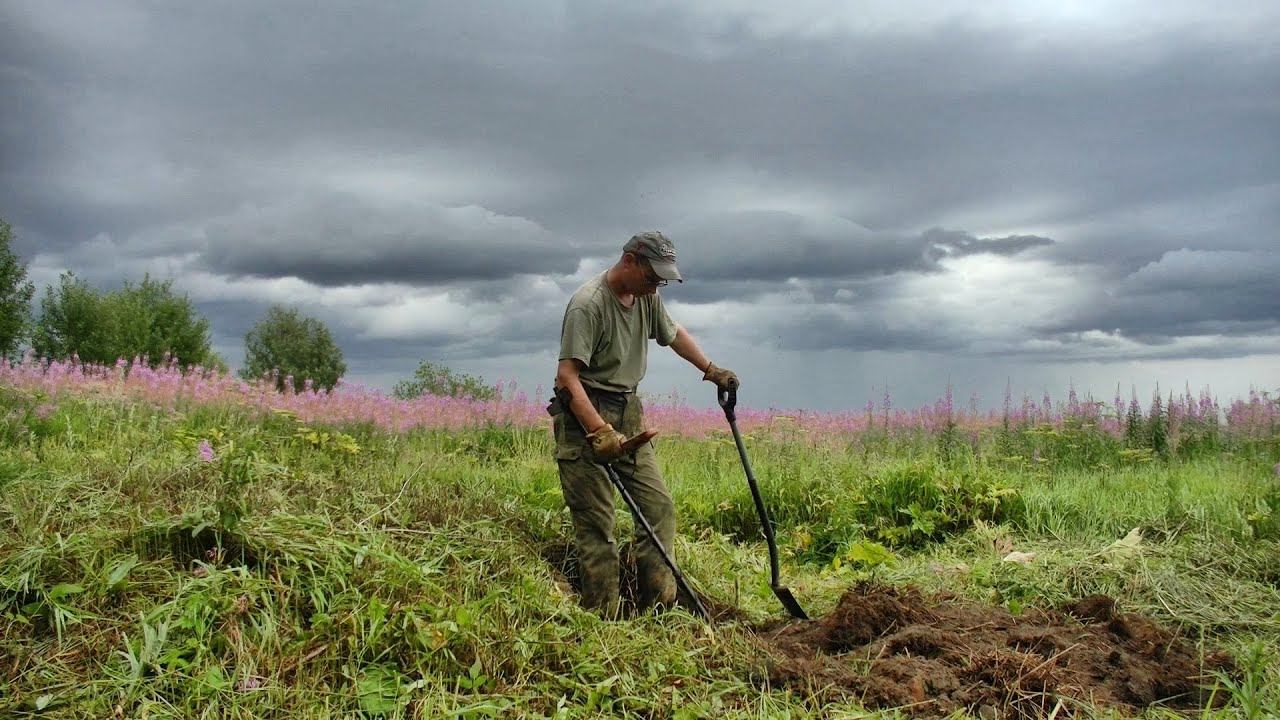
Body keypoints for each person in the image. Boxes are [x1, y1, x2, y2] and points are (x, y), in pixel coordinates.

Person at [550, 231, 738, 616]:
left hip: (628, 410)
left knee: (658, 508)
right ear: (630, 261)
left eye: (662, 280)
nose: (657, 286)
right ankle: (603, 620)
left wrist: (711, 370)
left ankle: (657, 610)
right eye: (653, 276)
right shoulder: (589, 305)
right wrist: (600, 431)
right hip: (585, 412)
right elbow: (566, 377)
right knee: (598, 526)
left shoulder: (646, 296)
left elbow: (673, 334)